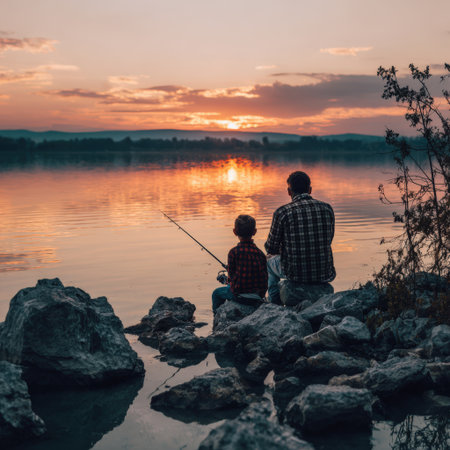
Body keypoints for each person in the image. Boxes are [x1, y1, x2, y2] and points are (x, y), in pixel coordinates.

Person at [265, 171, 335, 304]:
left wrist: (283, 248)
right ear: (310, 189)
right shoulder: (327, 209)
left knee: (268, 261)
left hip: (294, 274)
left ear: (289, 191)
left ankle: (274, 305)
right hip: (324, 273)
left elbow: (271, 248)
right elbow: (328, 239)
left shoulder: (282, 212)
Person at [212, 214, 268, 312]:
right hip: (257, 297)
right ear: (255, 232)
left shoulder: (233, 252)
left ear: (234, 232)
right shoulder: (260, 254)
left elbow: (232, 277)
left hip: (239, 297)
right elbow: (264, 278)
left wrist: (228, 282)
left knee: (216, 293)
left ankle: (217, 316)